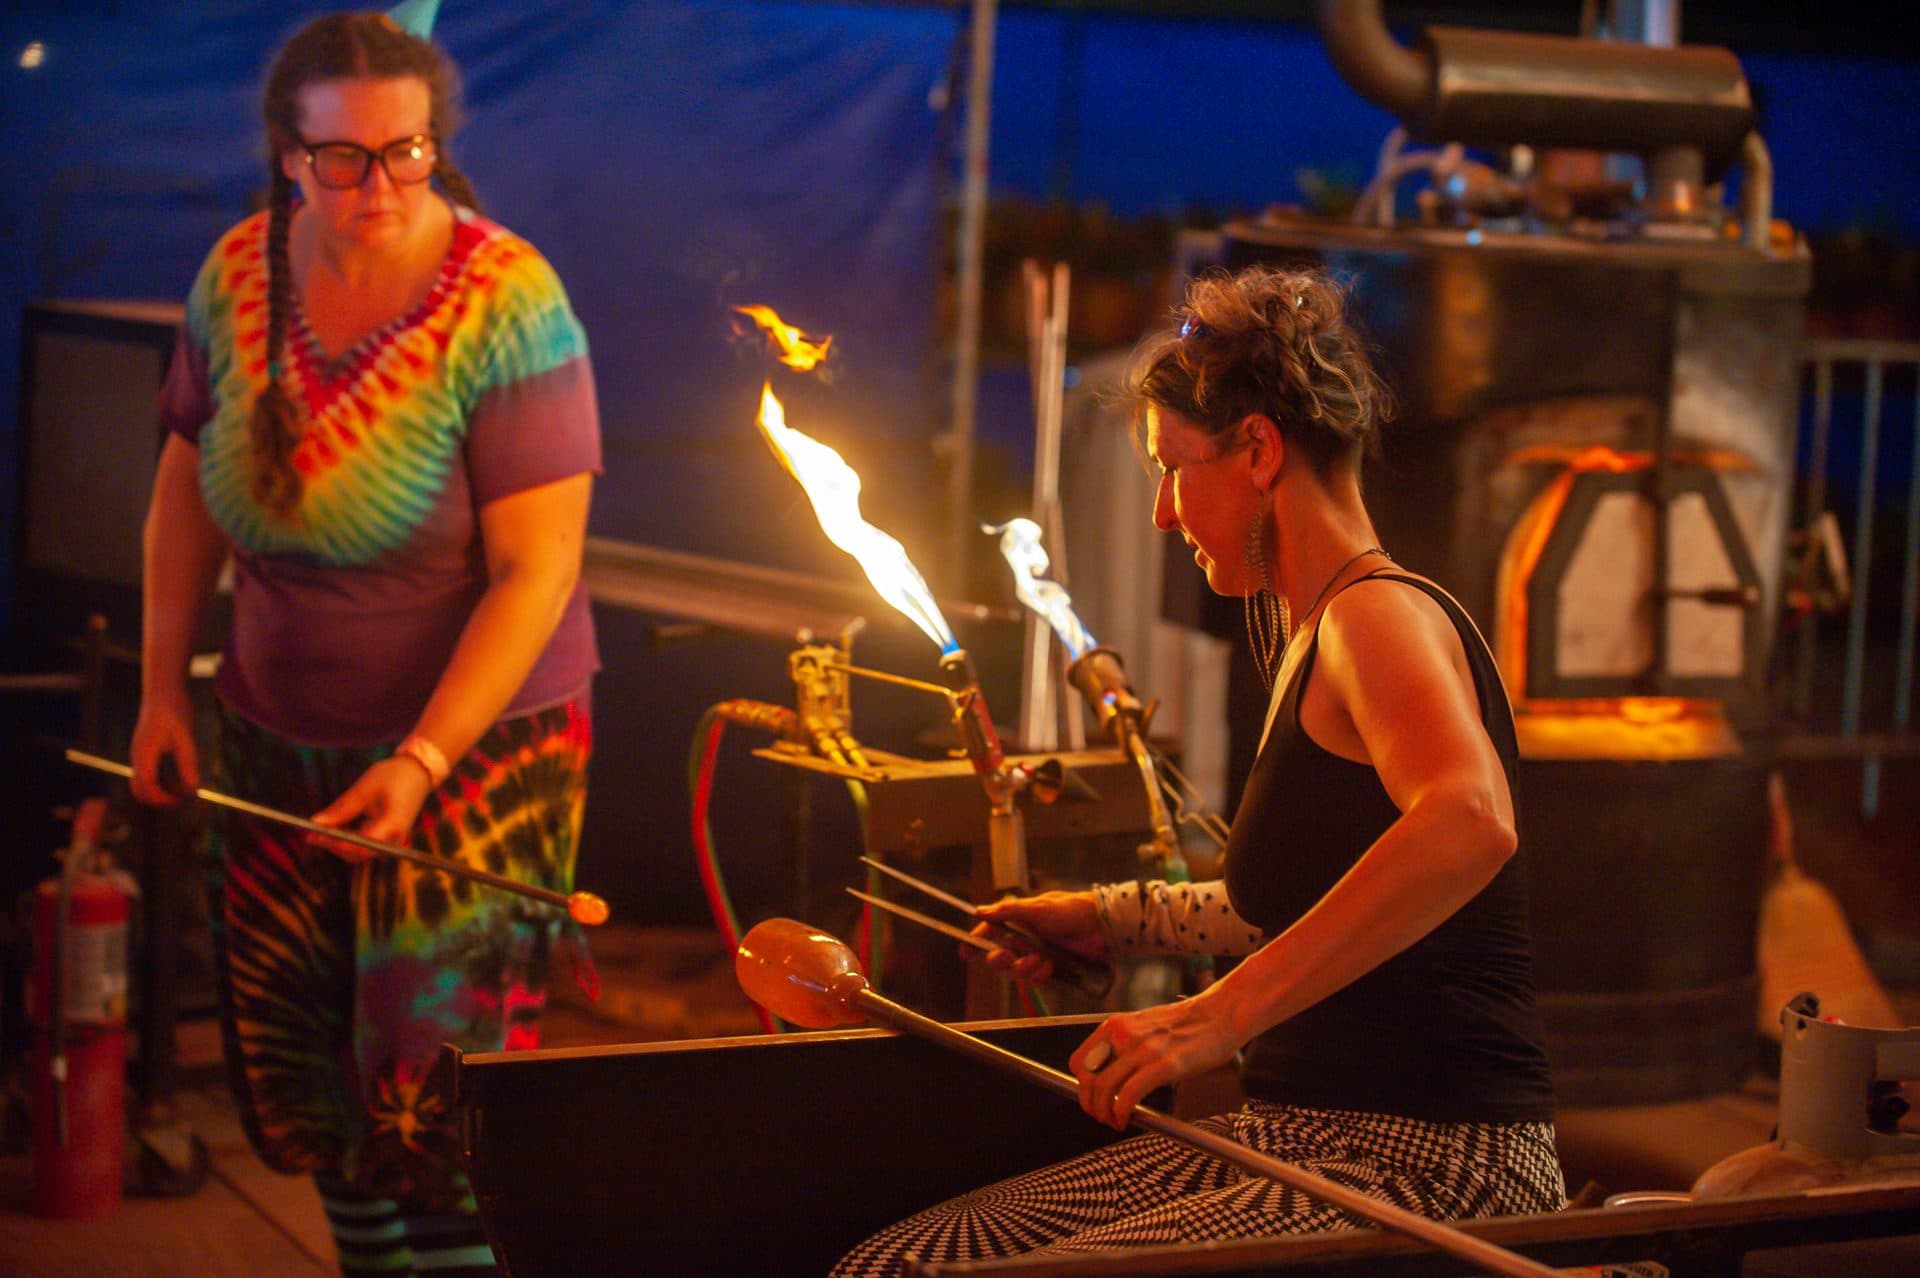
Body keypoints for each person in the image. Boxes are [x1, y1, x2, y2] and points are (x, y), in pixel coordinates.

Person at [833, 264, 1561, 1274]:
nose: (1164, 517)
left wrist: (1216, 1016)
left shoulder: (1377, 615)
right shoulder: (1314, 631)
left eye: (1175, 471)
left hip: (1436, 1167)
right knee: (906, 1259)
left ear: (1258, 450)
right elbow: (1294, 903)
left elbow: (1471, 820)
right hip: (1311, 1139)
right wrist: (1109, 913)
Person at [129, 9, 599, 1276]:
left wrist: (428, 759)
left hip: (473, 759)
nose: (382, 183)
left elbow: (535, 568)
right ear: (290, 153)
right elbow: (183, 494)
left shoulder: (509, 301)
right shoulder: (235, 276)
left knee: (425, 1101)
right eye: (344, 158)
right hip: (277, 746)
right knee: (306, 1088)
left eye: (408, 151)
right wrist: (163, 694)